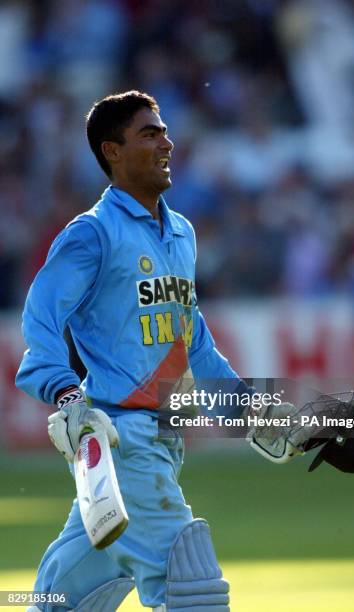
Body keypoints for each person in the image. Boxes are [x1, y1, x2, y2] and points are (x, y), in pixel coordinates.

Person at [17, 90, 292, 612]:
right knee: (195, 590)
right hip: (123, 443)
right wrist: (68, 398)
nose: (167, 142)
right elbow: (41, 315)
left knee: (64, 600)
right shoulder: (93, 233)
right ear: (112, 151)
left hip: (159, 443)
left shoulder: (181, 233)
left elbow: (197, 349)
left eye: (164, 131)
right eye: (149, 133)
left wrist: (253, 412)